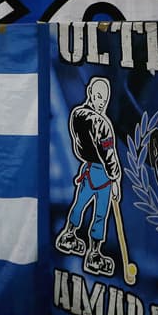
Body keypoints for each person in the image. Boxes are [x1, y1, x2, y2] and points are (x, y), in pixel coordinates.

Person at [55, 76, 121, 277]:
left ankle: (68, 235)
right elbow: (108, 154)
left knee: (80, 205)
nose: (102, 102)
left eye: (104, 99)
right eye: (99, 97)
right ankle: (93, 253)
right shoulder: (102, 124)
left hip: (87, 169)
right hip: (102, 173)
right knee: (98, 213)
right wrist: (115, 178)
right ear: (91, 93)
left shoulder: (77, 114)